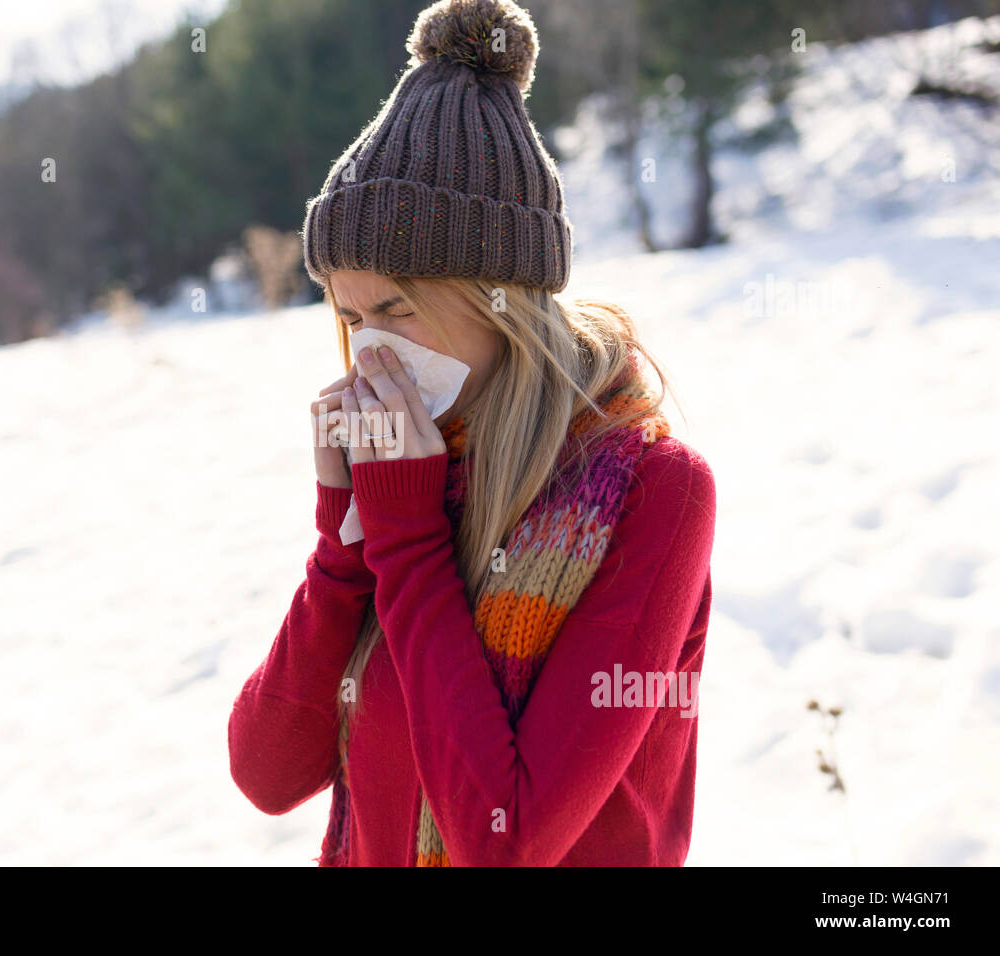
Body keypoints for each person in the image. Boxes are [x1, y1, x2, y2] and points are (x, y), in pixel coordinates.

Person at [228, 0, 716, 866]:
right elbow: (268, 773)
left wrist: (408, 544)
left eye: (397, 308)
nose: (371, 347)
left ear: (503, 299)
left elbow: (509, 838)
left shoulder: (654, 492)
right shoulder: (414, 473)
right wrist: (345, 551)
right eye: (349, 316)